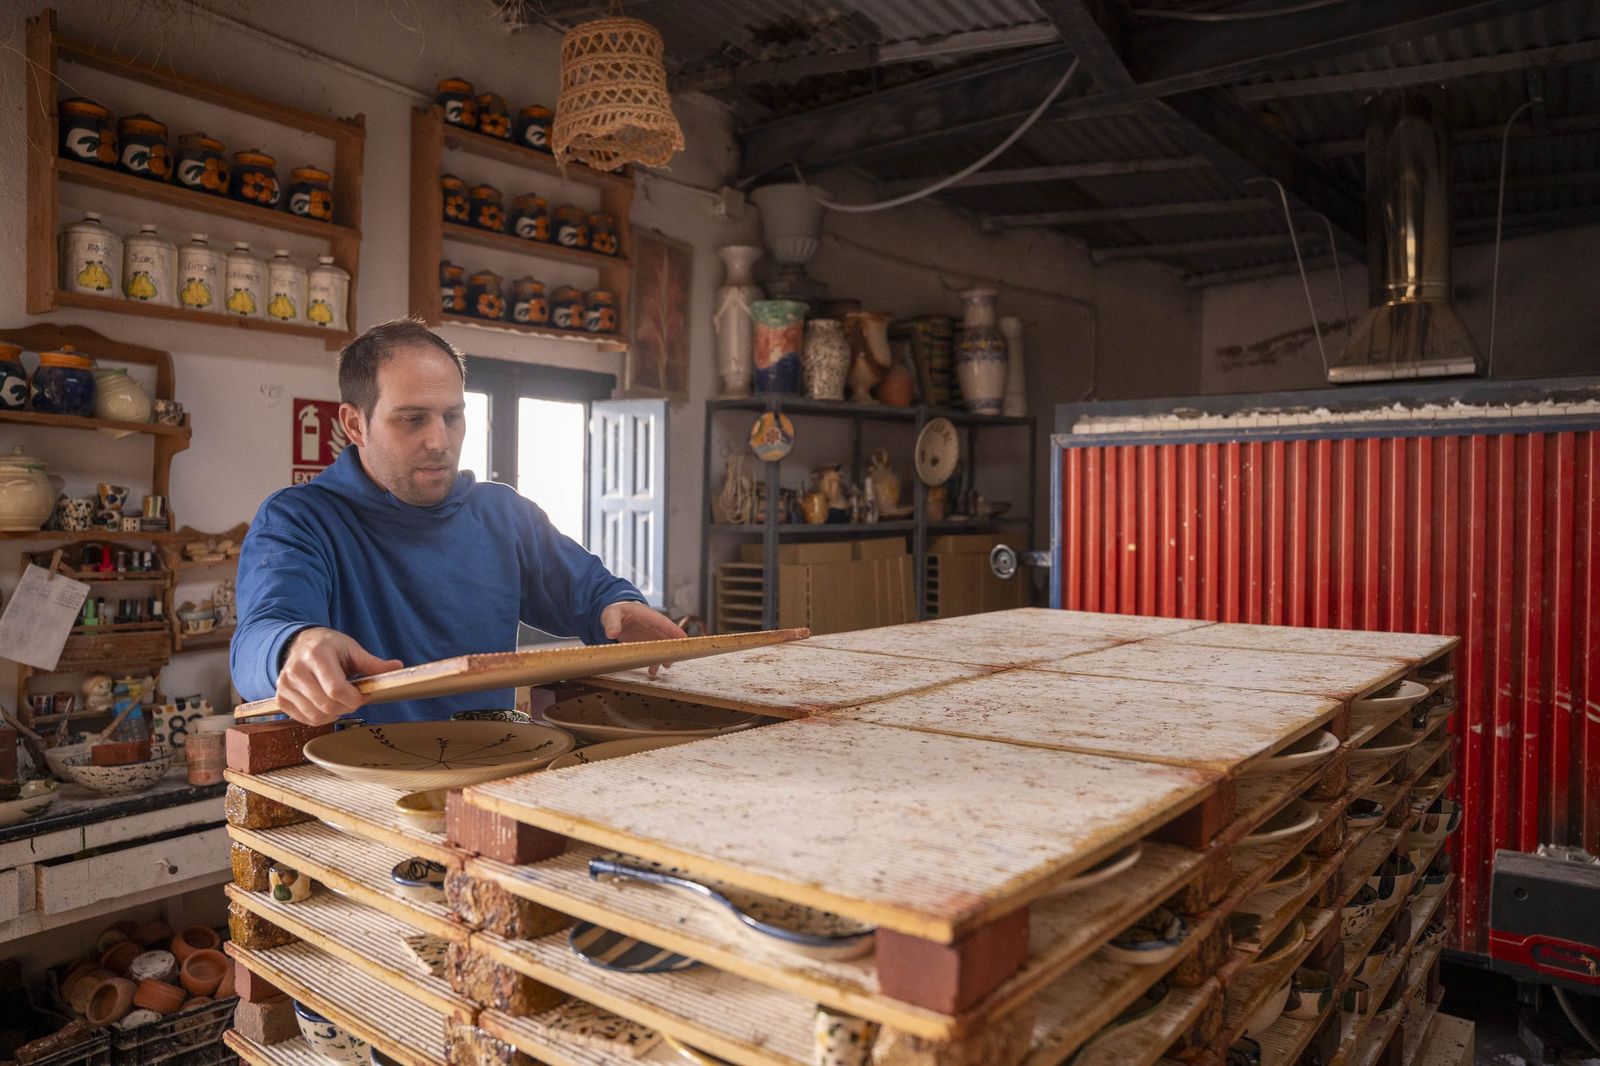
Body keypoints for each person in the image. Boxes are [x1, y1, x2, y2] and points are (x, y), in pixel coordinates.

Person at [230, 317, 684, 725]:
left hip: (488, 769)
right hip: (355, 785)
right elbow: (260, 636)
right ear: (354, 425)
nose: (439, 441)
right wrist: (295, 648)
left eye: (453, 416)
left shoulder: (503, 514)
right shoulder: (297, 520)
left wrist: (616, 608)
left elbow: (588, 590)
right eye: (412, 420)